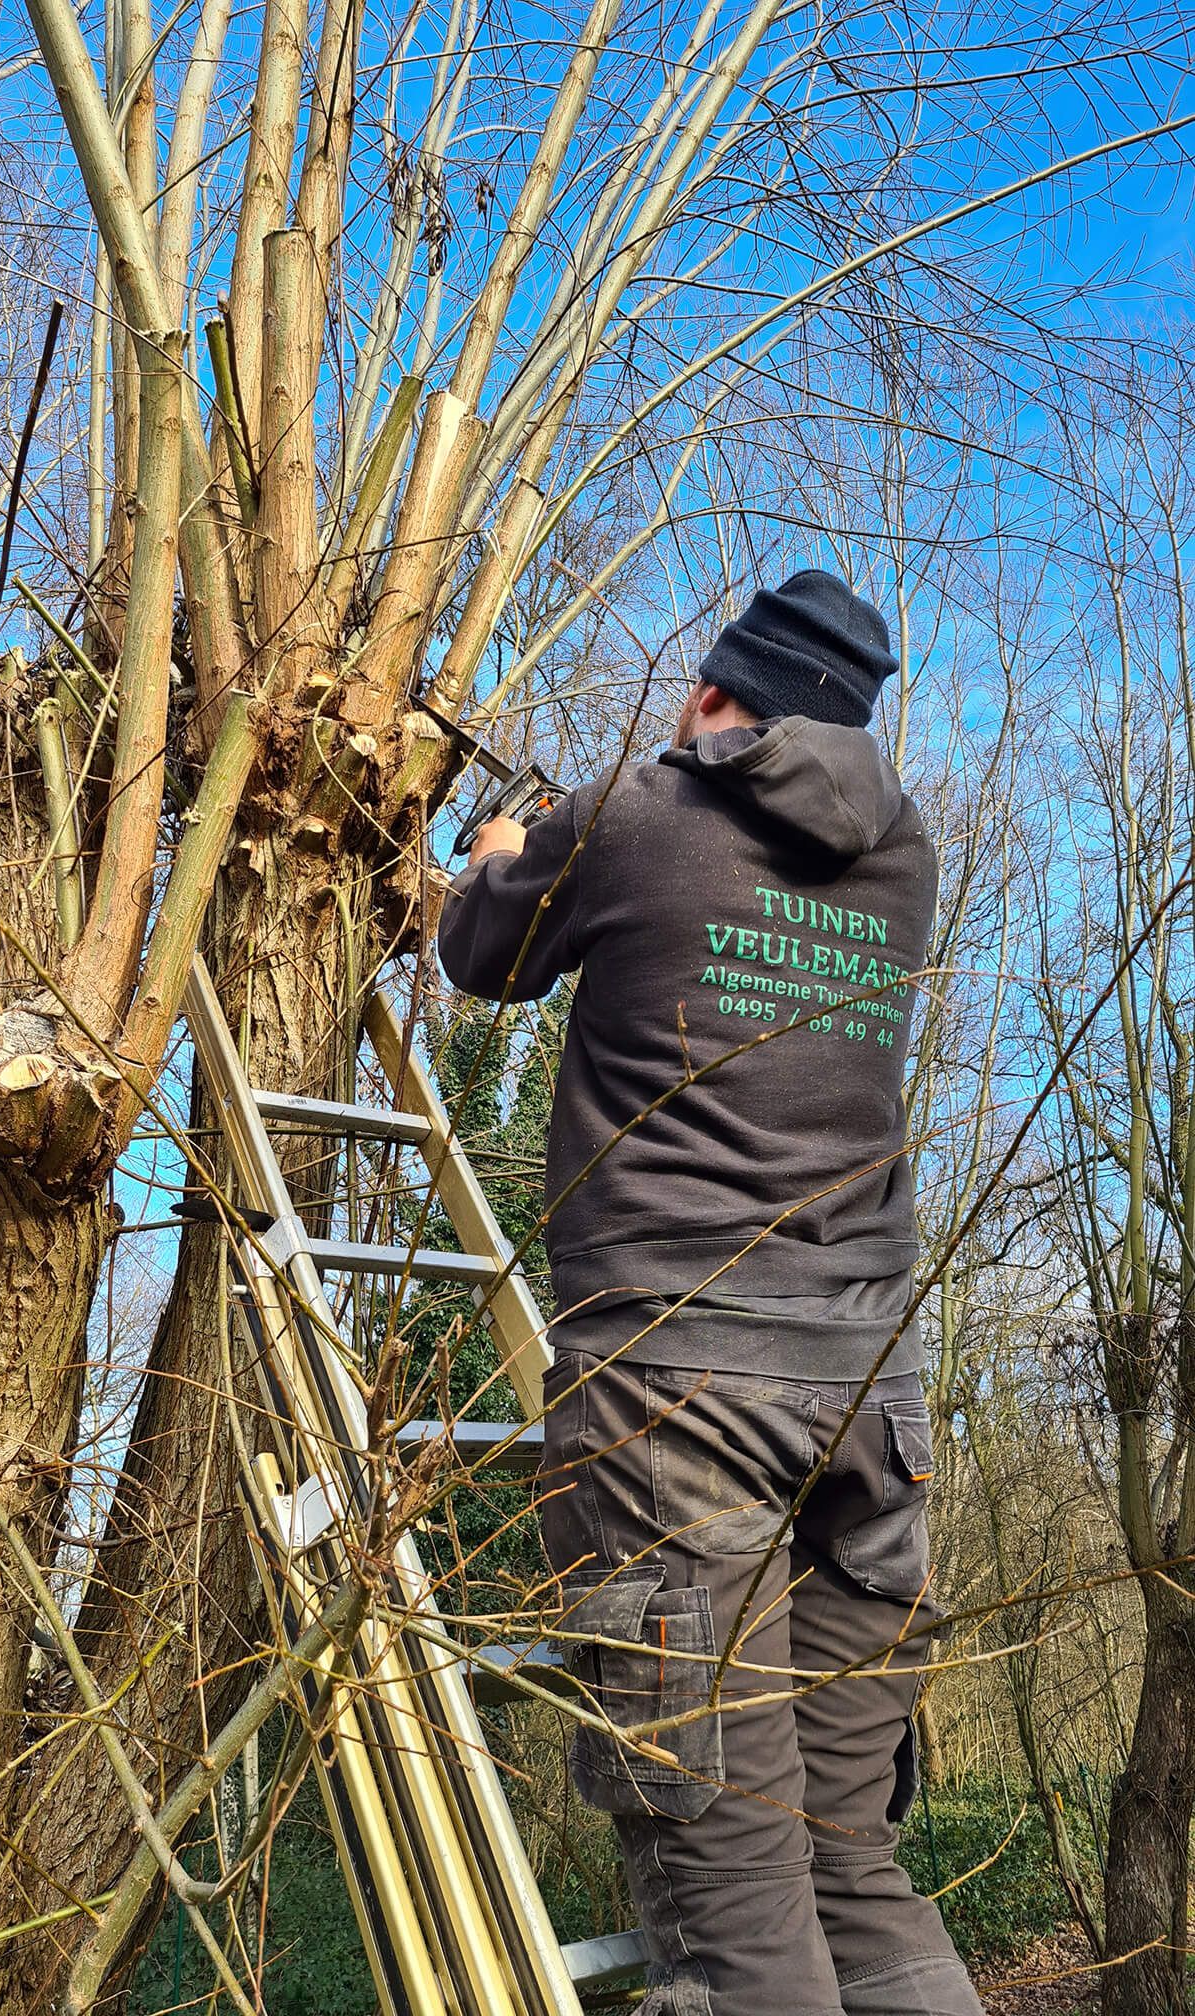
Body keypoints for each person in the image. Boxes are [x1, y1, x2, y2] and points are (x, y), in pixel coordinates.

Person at [436, 569, 982, 2016]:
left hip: (684, 1398)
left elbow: (483, 953)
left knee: (736, 1911)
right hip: (872, 1403)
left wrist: (501, 847)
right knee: (850, 1871)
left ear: (719, 692)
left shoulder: (630, 814)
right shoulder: (904, 854)